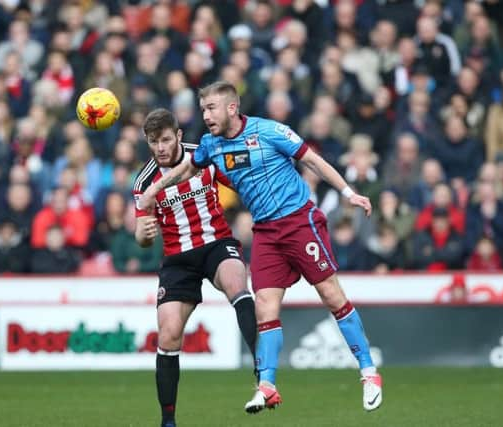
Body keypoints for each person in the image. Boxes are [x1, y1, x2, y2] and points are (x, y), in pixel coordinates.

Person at [139, 82, 382, 414]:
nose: (206, 116)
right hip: (265, 232)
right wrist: (156, 190)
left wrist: (347, 192)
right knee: (265, 306)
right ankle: (266, 386)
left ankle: (368, 371)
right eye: (202, 110)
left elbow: (313, 160)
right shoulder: (210, 145)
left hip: (298, 221)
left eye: (211, 108)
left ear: (231, 107)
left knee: (331, 295)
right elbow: (186, 169)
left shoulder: (269, 131)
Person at [132, 108, 257, 427]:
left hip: (216, 242)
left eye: (164, 139)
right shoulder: (145, 181)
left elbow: (240, 178)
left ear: (178, 136)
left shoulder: (204, 156)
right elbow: (142, 233)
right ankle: (168, 420)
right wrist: (143, 236)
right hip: (177, 259)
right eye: (153, 141)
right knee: (169, 334)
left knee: (237, 286)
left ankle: (263, 373)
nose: (159, 147)